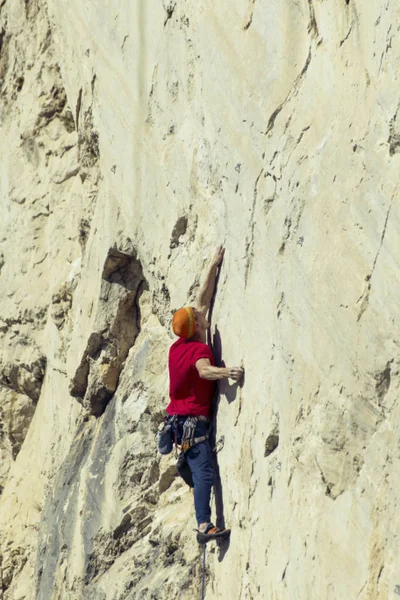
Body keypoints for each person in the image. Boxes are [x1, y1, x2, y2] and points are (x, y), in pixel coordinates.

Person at [166, 246, 244, 543]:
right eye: (198, 316)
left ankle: (184, 464)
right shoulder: (199, 350)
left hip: (177, 422)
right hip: (192, 424)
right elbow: (203, 371)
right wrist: (229, 372)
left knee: (196, 467)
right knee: (205, 474)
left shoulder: (180, 345)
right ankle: (203, 527)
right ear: (197, 326)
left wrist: (213, 265)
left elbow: (202, 298)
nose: (201, 312)